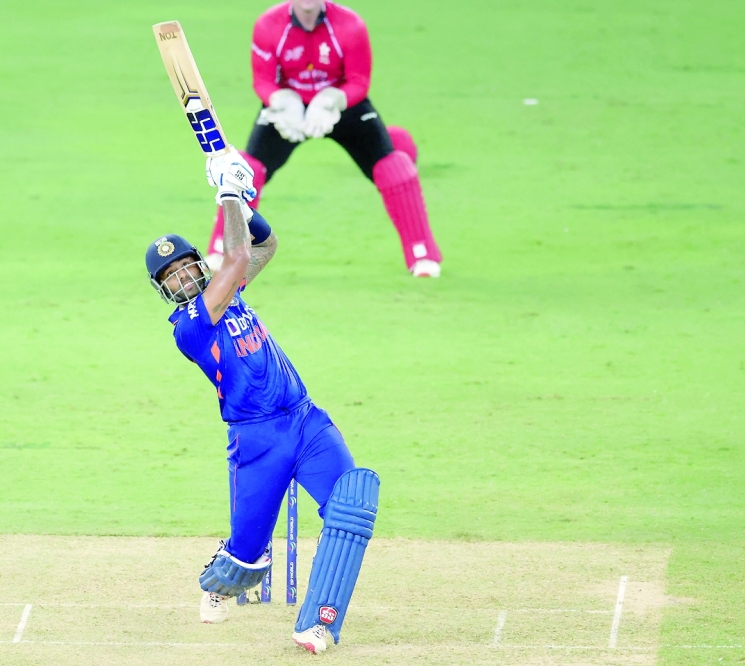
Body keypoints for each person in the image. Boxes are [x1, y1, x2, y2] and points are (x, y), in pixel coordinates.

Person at [144, 151, 380, 654]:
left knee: (352, 503)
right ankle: (218, 583)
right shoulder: (189, 328)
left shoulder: (231, 291)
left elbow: (264, 246)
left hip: (305, 420)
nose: (184, 279)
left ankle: (320, 622)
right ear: (164, 292)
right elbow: (232, 261)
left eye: (186, 267)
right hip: (256, 439)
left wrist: (247, 209)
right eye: (172, 278)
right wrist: (228, 192)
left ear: (197, 265)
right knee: (248, 558)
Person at [203, 0, 443, 278]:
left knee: (393, 168)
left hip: (342, 107)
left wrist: (333, 99)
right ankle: (222, 250)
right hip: (288, 110)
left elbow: (358, 80)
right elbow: (263, 81)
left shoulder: (350, 25)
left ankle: (422, 254)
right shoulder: (268, 25)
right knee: (247, 170)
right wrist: (279, 100)